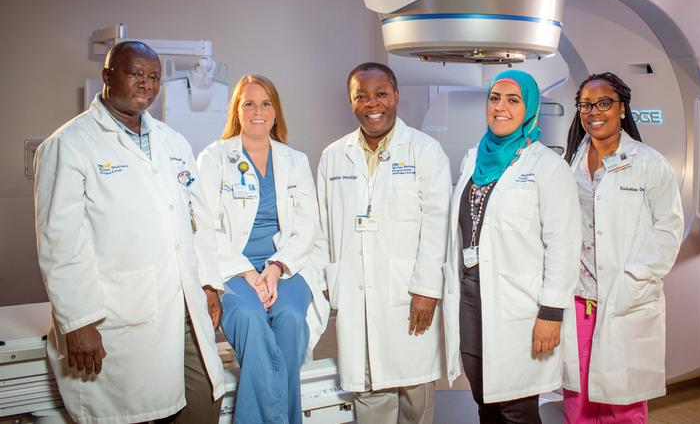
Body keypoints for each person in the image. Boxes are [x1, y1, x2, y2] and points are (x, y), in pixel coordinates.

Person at [33, 41, 225, 424]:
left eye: (153, 77)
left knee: (203, 405)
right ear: (107, 76)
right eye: (134, 73)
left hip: (185, 305)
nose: (146, 84)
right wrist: (77, 321)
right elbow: (60, 244)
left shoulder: (173, 142)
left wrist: (209, 284)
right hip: (121, 311)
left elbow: (198, 221)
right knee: (132, 411)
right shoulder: (69, 145)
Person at [312, 62, 451, 424]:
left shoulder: (425, 150)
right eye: (362, 96)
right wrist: (331, 281)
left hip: (409, 294)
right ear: (351, 101)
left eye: (381, 94)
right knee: (369, 394)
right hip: (357, 293)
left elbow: (438, 225)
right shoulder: (333, 156)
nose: (372, 103)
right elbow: (324, 227)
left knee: (414, 395)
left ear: (396, 96)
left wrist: (426, 289)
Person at [441, 69, 581, 424]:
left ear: (529, 109)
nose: (500, 107)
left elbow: (563, 245)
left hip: (520, 305)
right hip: (471, 299)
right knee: (484, 400)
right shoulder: (473, 159)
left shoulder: (548, 167)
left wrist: (551, 313)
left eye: (513, 100)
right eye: (495, 98)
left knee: (516, 408)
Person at [196, 74, 329, 424]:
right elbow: (204, 225)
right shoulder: (215, 158)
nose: (258, 111)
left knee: (289, 321)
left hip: (286, 266)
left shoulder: (294, 160)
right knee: (251, 320)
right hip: (232, 267)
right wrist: (249, 272)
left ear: (276, 112)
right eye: (249, 103)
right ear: (237, 112)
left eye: (266, 103)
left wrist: (274, 268)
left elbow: (306, 226)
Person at [561, 72, 684, 423]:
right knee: (579, 402)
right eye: (586, 104)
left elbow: (668, 229)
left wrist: (635, 277)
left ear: (622, 108)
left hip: (624, 298)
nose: (594, 111)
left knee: (623, 407)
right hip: (579, 299)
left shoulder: (649, 163)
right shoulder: (570, 164)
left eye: (604, 103)